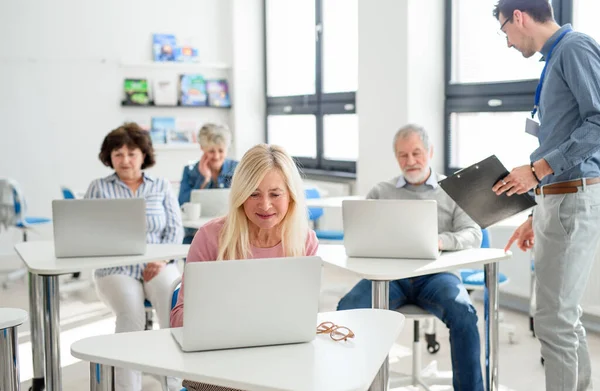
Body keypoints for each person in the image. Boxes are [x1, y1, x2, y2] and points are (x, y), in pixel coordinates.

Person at [492, 1, 600, 389]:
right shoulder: (555, 59)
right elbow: (563, 139)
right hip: (559, 197)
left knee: (553, 320)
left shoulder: (574, 48)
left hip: (572, 197)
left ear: (518, 16)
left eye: (504, 29)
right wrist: (535, 213)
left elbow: (599, 121)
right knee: (562, 318)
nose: (507, 41)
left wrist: (537, 171)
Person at [337, 124, 483, 391]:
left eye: (417, 153)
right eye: (403, 155)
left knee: (464, 314)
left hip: (438, 276)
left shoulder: (451, 191)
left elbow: (473, 234)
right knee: (347, 309)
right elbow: (360, 233)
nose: (411, 161)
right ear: (396, 157)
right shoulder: (381, 192)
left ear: (430, 151)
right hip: (390, 277)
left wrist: (441, 241)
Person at [170, 144, 318, 391]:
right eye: (254, 194)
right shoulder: (210, 237)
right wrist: (216, 320)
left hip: (281, 360)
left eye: (275, 194)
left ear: (291, 194)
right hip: (219, 364)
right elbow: (178, 319)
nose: (265, 205)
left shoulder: (305, 240)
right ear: (240, 194)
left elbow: (305, 318)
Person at [85, 123, 183, 391]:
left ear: (143, 155)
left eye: (131, 153)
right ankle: (128, 387)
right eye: (118, 154)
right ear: (109, 157)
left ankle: (174, 383)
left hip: (159, 264)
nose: (125, 160)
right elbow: (88, 231)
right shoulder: (99, 188)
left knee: (172, 306)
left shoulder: (161, 185)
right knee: (131, 314)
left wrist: (162, 260)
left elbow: (175, 229)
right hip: (115, 268)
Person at [178, 123, 238, 243]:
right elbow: (182, 203)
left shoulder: (237, 168)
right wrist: (204, 180)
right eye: (211, 151)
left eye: (221, 151)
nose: (216, 156)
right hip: (197, 232)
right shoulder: (190, 171)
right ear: (202, 148)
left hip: (231, 230)